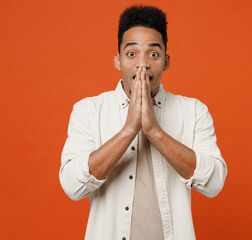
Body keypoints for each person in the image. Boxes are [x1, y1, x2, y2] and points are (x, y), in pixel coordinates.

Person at [59, 5, 227, 240]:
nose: (142, 64)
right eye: (131, 54)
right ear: (117, 60)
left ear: (166, 61)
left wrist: (154, 131)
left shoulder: (194, 111)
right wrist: (129, 130)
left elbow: (214, 182)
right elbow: (72, 185)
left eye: (153, 54)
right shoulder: (88, 111)